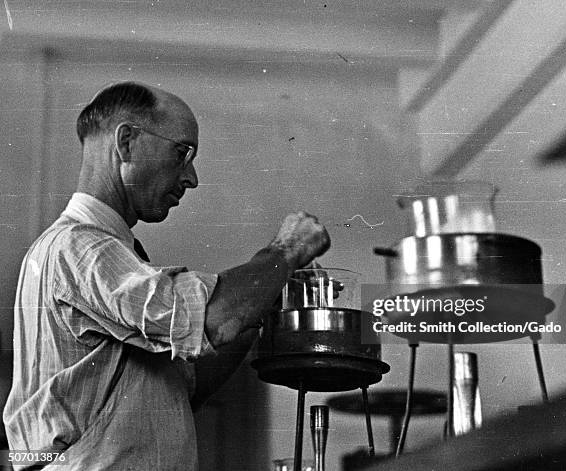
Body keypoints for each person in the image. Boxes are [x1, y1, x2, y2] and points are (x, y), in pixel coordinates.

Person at [2, 82, 330, 470]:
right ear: (126, 143)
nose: (191, 178)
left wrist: (261, 300)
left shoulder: (108, 256)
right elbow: (209, 317)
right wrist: (286, 251)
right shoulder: (79, 248)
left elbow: (189, 386)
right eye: (182, 153)